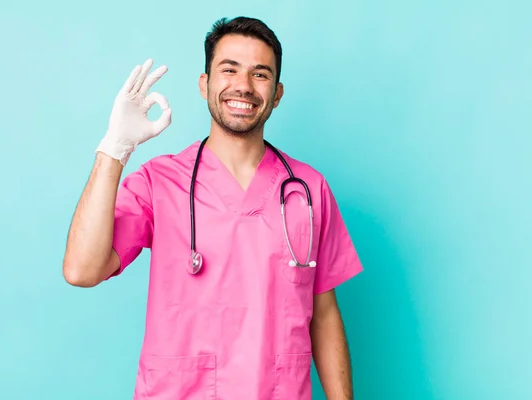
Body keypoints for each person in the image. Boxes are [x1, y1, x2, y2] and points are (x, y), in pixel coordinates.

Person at [63, 16, 363, 400]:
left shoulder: (307, 190)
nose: (243, 86)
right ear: (205, 84)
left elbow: (323, 314)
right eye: (229, 69)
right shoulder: (159, 182)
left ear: (277, 93)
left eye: (260, 74)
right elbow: (81, 269)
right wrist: (114, 149)